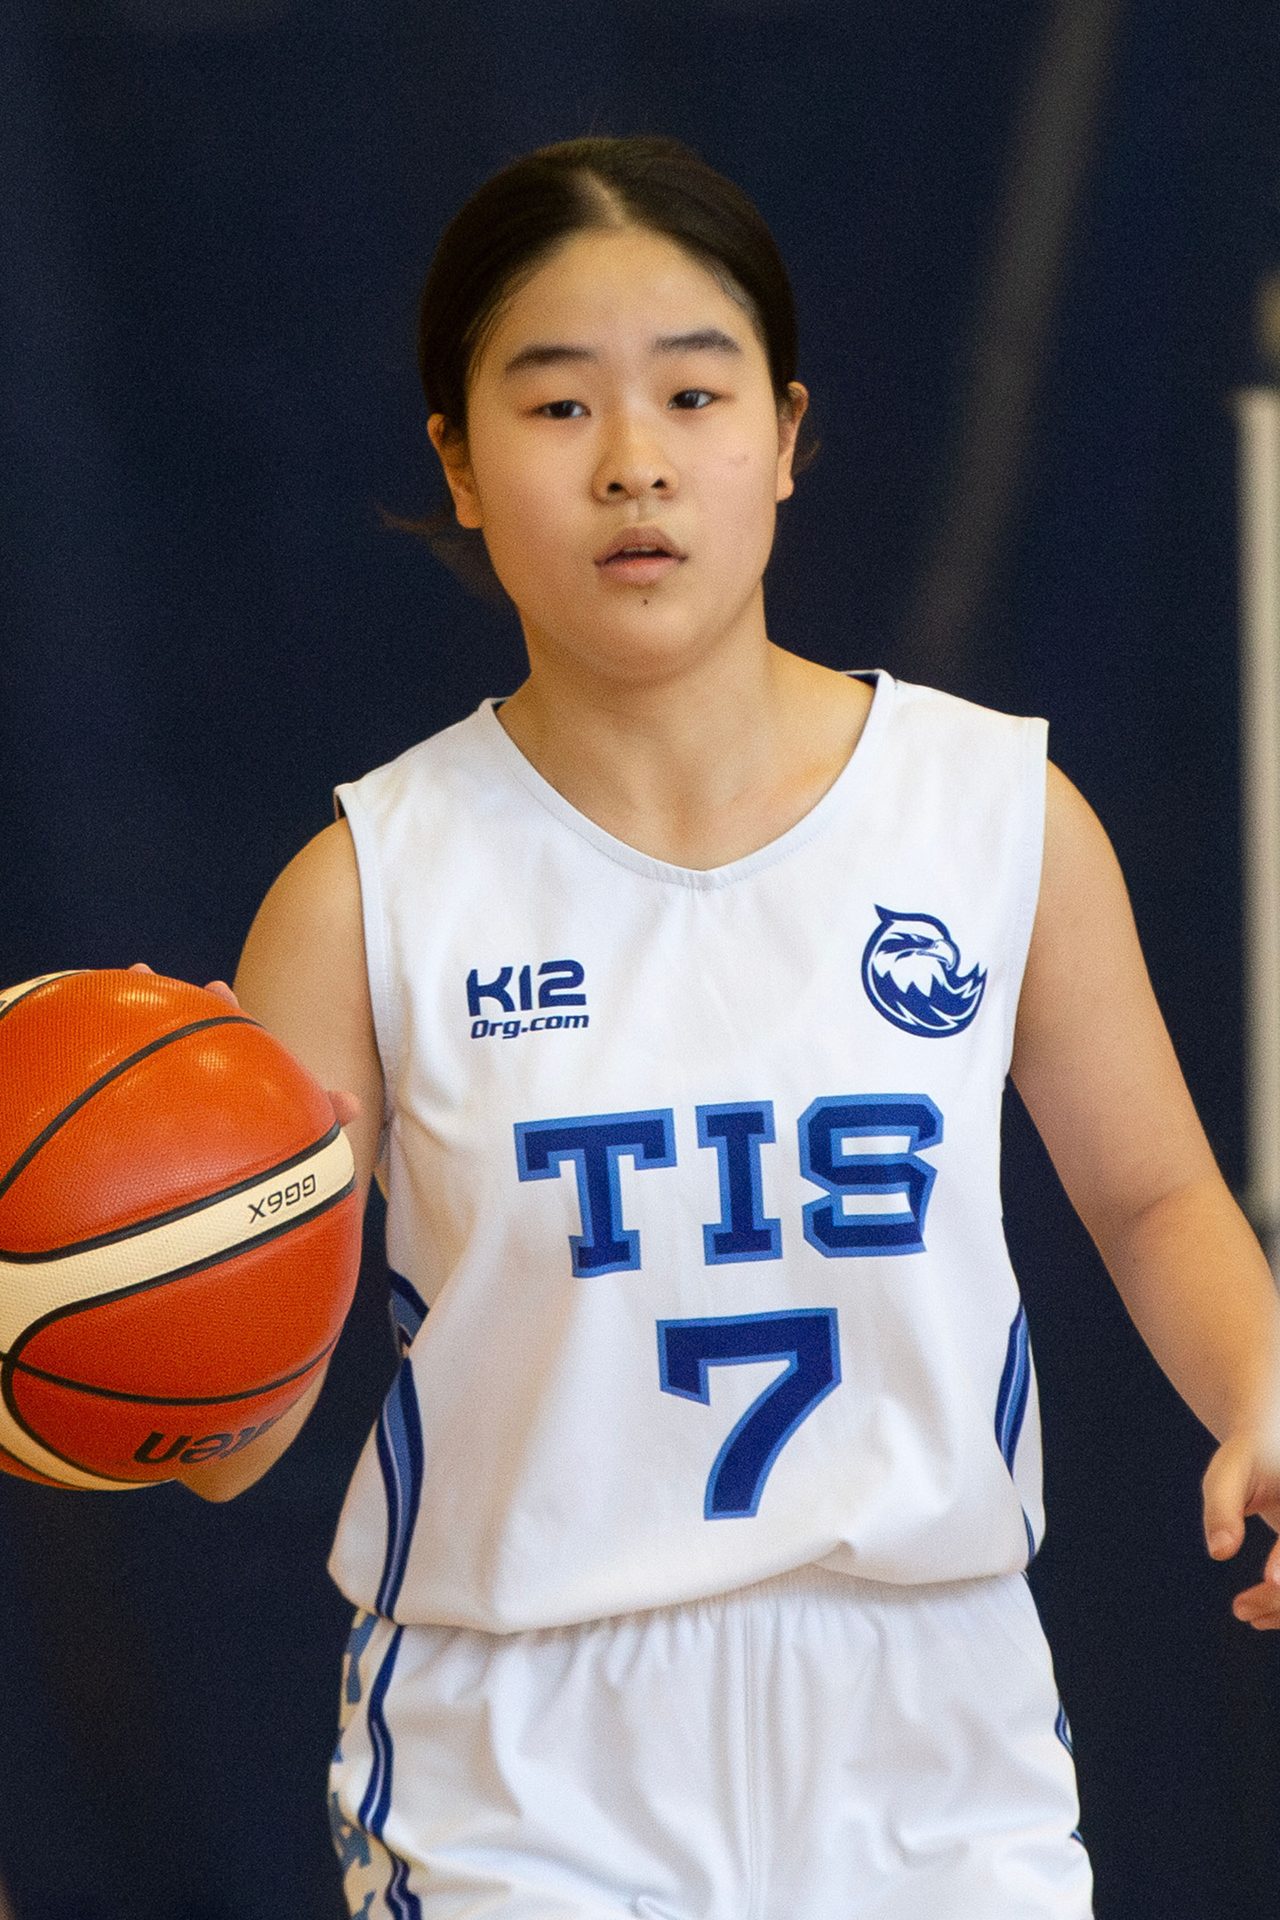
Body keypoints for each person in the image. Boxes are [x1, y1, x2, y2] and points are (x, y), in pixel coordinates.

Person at [182, 134, 1280, 1918]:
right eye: (553, 409)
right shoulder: (369, 886)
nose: (633, 464)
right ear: (457, 462)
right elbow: (240, 1419)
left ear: (782, 437)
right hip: (526, 1744)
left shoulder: (993, 816)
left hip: (929, 1717)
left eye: (693, 393)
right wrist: (124, 1339)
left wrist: (1261, 1389)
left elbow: (1155, 1195)